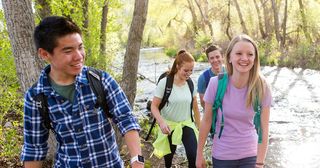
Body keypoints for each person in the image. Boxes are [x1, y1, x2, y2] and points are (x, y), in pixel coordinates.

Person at [20, 16, 144, 168]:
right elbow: (34, 148)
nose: (78, 56)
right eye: (68, 50)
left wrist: (137, 161)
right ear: (45, 54)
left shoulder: (100, 80)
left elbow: (126, 119)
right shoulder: (36, 98)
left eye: (80, 47)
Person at [196, 34, 272, 168]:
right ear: (230, 57)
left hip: (251, 155)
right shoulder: (215, 84)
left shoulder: (262, 86)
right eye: (239, 53)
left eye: (250, 54)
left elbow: (264, 128)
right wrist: (199, 154)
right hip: (222, 155)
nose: (244, 58)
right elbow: (206, 121)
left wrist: (260, 163)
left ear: (255, 59)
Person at [150, 50, 200, 168]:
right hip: (169, 126)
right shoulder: (165, 83)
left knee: (193, 155)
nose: (189, 73)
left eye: (191, 70)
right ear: (177, 66)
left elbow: (196, 108)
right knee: (169, 157)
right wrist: (161, 122)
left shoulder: (190, 83)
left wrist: (200, 127)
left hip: (187, 124)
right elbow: (154, 106)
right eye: (186, 70)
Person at [197, 44, 225, 108]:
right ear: (208, 60)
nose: (215, 60)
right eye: (212, 58)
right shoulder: (203, 78)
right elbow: (203, 103)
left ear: (222, 56)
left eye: (217, 57)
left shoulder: (230, 73)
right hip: (212, 115)